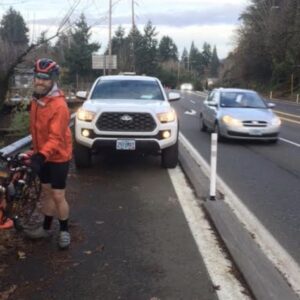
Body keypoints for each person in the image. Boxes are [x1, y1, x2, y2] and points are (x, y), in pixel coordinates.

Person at [24, 58, 72, 249]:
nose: (40, 82)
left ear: (53, 79)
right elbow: (37, 129)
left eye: (45, 78)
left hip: (58, 156)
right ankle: (45, 228)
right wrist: (35, 150)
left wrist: (41, 156)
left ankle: (64, 231)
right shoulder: (37, 99)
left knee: (58, 195)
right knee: (47, 193)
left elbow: (56, 137)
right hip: (42, 153)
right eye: (38, 77)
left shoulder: (59, 106)